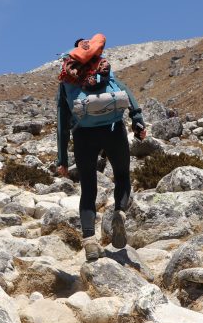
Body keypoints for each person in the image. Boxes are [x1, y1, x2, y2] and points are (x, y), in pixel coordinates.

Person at [56, 34, 146, 261]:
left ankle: (89, 241)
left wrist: (62, 160)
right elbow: (126, 92)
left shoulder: (68, 76)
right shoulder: (104, 67)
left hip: (84, 135)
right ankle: (120, 213)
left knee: (88, 188)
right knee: (123, 175)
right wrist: (137, 121)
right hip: (113, 130)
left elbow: (61, 120)